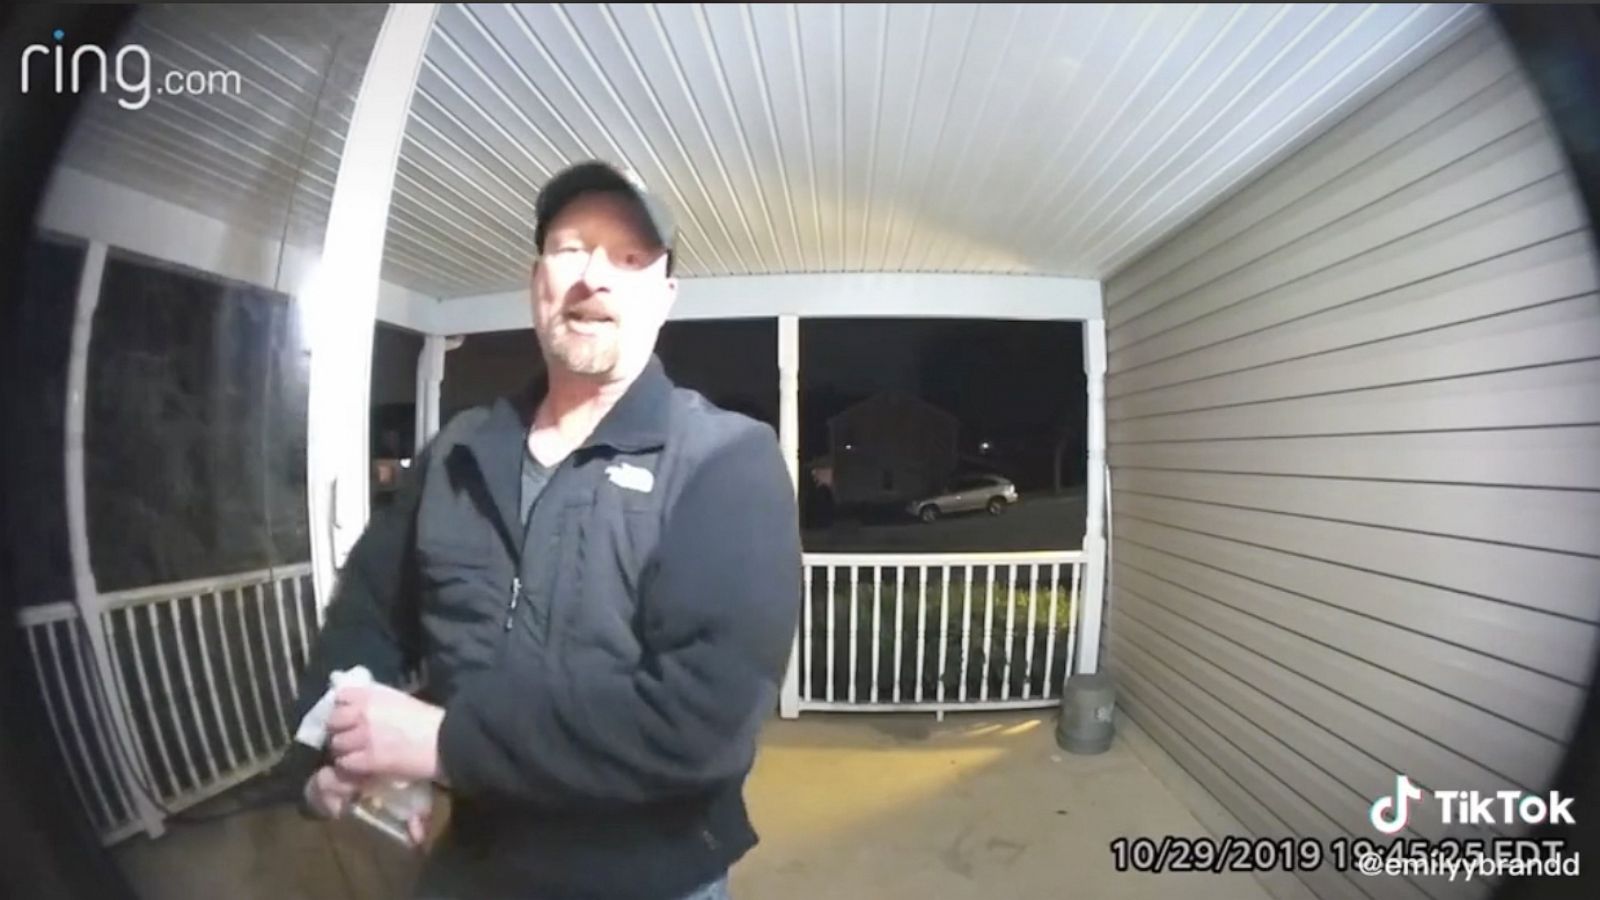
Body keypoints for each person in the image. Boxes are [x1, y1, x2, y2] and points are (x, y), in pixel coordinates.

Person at [285, 160, 804, 900]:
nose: (595, 275)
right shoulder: (458, 454)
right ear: (538, 281)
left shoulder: (729, 460)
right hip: (472, 862)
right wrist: (328, 750)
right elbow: (365, 617)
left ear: (664, 298)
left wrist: (443, 744)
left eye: (629, 258)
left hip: (649, 876)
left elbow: (705, 719)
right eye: (571, 248)